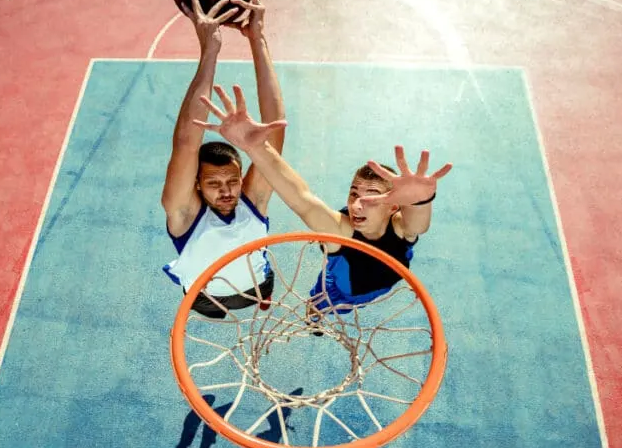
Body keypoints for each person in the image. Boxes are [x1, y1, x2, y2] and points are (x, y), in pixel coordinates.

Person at [193, 84, 453, 316]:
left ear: (393, 206)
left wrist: (421, 200)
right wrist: (255, 148)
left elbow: (417, 224)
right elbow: (302, 200)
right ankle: (315, 315)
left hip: (384, 284)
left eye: (371, 198)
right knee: (317, 307)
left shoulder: (399, 226)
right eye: (353, 194)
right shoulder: (340, 230)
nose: (356, 205)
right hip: (335, 291)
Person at [161, 0, 286, 319]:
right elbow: (187, 142)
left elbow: (274, 134)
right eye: (214, 184)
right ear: (197, 186)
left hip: (257, 284)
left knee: (265, 289)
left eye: (232, 180)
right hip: (205, 296)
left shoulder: (252, 199)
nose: (228, 191)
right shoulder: (184, 212)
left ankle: (263, 299)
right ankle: (220, 311)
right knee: (211, 313)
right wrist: (210, 50)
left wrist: (257, 39)